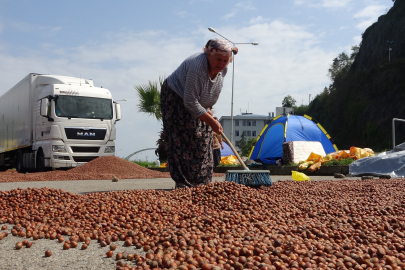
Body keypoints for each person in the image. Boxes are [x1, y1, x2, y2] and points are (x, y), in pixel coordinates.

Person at [160, 38, 238, 188]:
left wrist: (208, 113)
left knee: (205, 137)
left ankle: (202, 183)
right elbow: (190, 101)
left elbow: (206, 88)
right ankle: (183, 182)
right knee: (183, 137)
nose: (221, 64)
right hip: (175, 97)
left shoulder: (224, 68)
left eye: (225, 60)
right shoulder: (197, 66)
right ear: (209, 54)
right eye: (218, 60)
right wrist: (213, 122)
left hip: (197, 101)